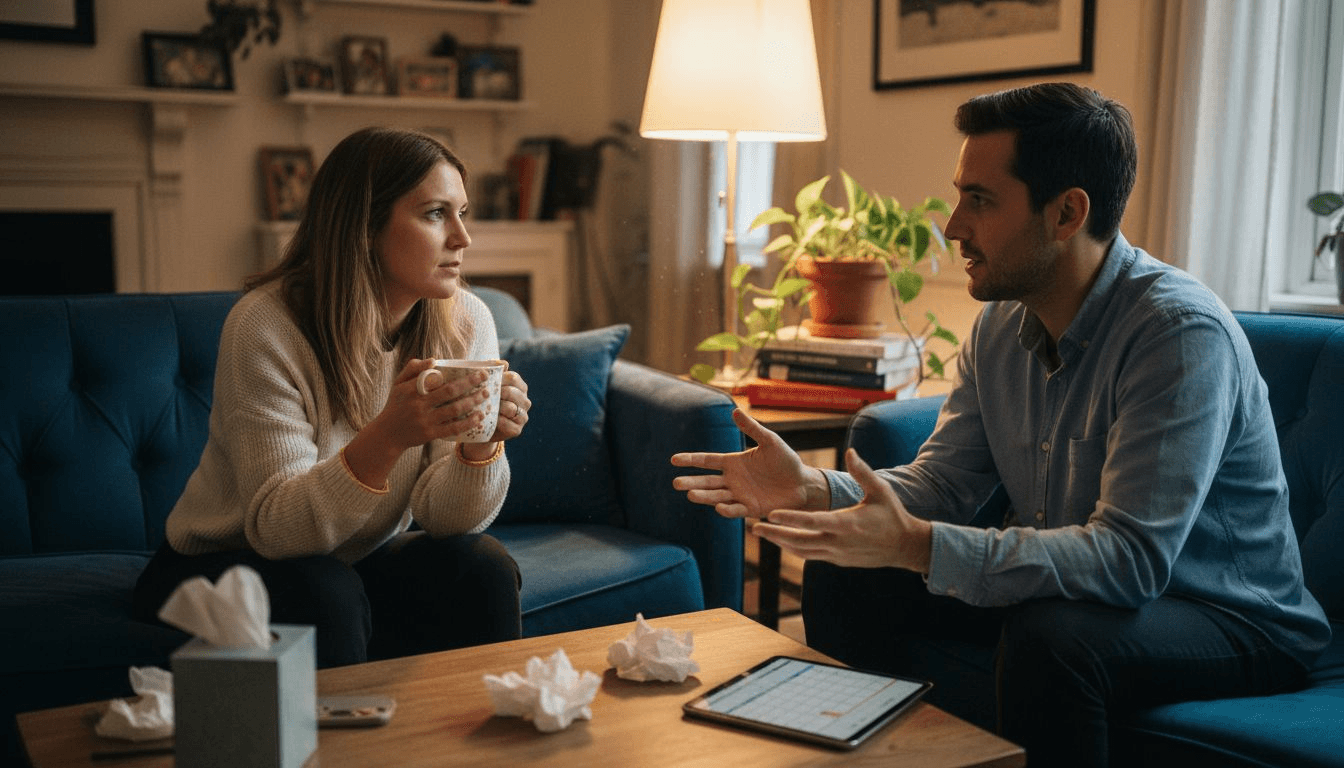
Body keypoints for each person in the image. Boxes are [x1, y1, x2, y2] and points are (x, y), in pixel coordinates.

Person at [671, 83, 1330, 766]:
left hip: (1231, 617)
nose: (954, 226)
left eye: (980, 201)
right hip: (1085, 595)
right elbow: (945, 483)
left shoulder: (1177, 334)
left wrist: (920, 547)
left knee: (1055, 638)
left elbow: (1130, 562)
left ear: (1067, 213)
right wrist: (813, 489)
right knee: (849, 571)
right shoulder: (999, 326)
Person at [133, 127, 531, 667]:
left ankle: (483, 720)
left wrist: (480, 448)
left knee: (480, 567)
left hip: (350, 556)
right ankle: (346, 727)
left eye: (462, 213)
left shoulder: (466, 320)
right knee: (324, 591)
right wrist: (389, 436)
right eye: (436, 214)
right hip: (220, 563)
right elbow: (276, 530)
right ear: (364, 226)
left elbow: (446, 520)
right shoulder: (265, 327)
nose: (462, 238)